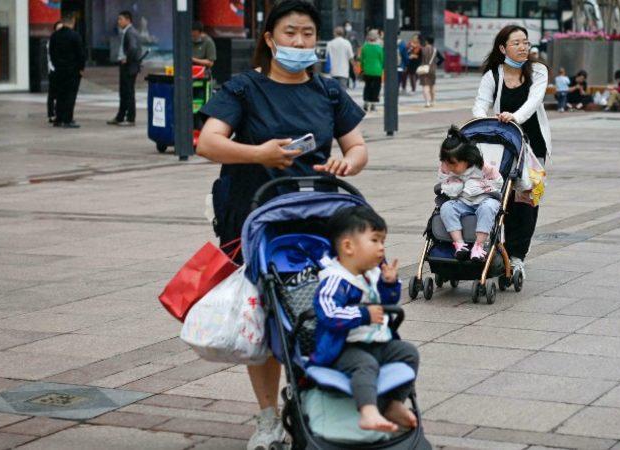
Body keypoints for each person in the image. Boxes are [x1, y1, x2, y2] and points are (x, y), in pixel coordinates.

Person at [195, 1, 368, 448]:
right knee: (265, 313)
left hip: (318, 220)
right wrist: (259, 153)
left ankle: (317, 396)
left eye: (308, 34)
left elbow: (358, 148)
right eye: (290, 33)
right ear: (270, 39)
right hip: (254, 216)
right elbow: (208, 142)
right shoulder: (243, 88)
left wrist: (345, 161)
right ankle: (268, 417)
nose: (299, 42)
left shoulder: (328, 92)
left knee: (318, 310)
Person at [311, 206, 419, 433]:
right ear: (348, 246)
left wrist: (388, 284)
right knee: (365, 365)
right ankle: (368, 412)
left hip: (375, 342)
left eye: (383, 241)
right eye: (375, 241)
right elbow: (328, 313)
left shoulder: (370, 274)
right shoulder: (335, 279)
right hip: (343, 348)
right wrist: (362, 314)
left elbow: (387, 304)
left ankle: (394, 403)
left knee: (409, 353)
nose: (382, 248)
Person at [472, 24, 552, 281]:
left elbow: (533, 102)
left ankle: (517, 256)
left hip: (532, 148)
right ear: (503, 48)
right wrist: (484, 122)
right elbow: (480, 106)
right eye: (516, 43)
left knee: (526, 202)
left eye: (525, 42)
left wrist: (513, 117)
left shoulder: (538, 71)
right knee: (498, 198)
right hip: (501, 149)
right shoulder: (492, 76)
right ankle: (495, 248)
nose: (522, 47)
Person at [438, 127, 503, 261]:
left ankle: (478, 246)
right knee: (446, 208)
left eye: (453, 165)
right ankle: (460, 244)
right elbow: (444, 182)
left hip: (484, 198)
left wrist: (481, 187)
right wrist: (453, 186)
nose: (450, 168)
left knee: (488, 207)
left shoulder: (483, 168)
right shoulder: (447, 168)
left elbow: (498, 182)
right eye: (446, 163)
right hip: (462, 201)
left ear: (467, 160)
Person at [49, 12, 85, 129]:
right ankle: (67, 119)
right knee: (70, 95)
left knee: (60, 95)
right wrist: (81, 68)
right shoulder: (75, 36)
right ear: (72, 22)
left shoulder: (55, 35)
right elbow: (80, 53)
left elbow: (52, 52)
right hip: (72, 71)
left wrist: (56, 64)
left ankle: (59, 118)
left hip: (59, 69)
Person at [107, 11, 142, 127]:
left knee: (128, 92)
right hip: (129, 66)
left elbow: (133, 48)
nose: (119, 22)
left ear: (128, 20)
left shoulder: (130, 32)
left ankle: (130, 118)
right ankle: (120, 116)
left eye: (120, 19)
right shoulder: (128, 31)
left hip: (129, 66)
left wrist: (127, 59)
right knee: (124, 92)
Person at [360, 29, 384, 112]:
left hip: (367, 70)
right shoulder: (379, 48)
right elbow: (382, 60)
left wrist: (362, 68)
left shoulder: (365, 47)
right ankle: (373, 104)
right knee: (376, 87)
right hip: (377, 70)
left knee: (367, 86)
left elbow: (362, 59)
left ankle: (366, 103)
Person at [46, 20, 64, 124]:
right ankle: (51, 114)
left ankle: (59, 113)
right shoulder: (51, 41)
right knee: (52, 93)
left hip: (61, 70)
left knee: (61, 93)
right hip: (53, 70)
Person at [326, 26, 354, 90]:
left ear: (334, 33)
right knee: (343, 91)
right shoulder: (347, 43)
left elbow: (327, 56)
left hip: (333, 71)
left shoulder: (330, 43)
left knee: (334, 90)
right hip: (344, 71)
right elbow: (351, 57)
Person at [419, 36, 439, 108]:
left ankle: (427, 102)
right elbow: (442, 59)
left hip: (424, 69)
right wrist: (436, 65)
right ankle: (433, 101)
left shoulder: (422, 49)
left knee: (425, 86)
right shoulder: (435, 50)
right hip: (432, 69)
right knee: (432, 86)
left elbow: (419, 59)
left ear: (427, 41)